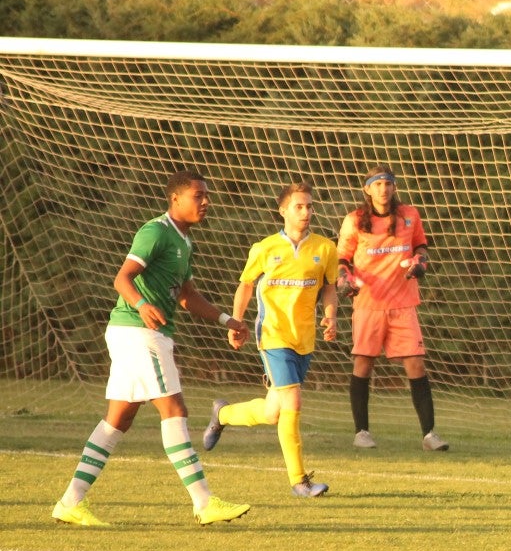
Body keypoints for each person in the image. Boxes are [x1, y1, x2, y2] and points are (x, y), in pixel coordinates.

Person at [51, 170, 252, 527]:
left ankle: (70, 501)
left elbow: (188, 296)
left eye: (207, 195)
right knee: (174, 408)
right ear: (175, 198)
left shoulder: (185, 242)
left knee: (118, 420)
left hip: (134, 334)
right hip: (139, 332)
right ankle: (204, 503)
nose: (206, 202)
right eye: (198, 195)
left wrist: (227, 320)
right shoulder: (156, 231)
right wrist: (142, 304)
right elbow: (122, 278)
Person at [202, 181, 339, 497]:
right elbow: (246, 285)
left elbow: (330, 287)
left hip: (304, 338)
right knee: (293, 402)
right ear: (283, 211)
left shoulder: (325, 248)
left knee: (273, 412)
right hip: (273, 336)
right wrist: (235, 323)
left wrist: (331, 316)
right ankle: (299, 481)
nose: (306, 211)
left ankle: (222, 414)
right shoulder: (264, 249)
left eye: (309, 205)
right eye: (299, 206)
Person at [336, 164, 447, 452]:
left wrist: (420, 262)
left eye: (387, 184)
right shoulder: (354, 220)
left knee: (416, 364)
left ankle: (429, 435)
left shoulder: (410, 216)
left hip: (403, 303)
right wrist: (345, 278)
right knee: (363, 364)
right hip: (369, 305)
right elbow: (342, 260)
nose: (383, 189)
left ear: (394, 187)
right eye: (377, 184)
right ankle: (361, 432)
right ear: (367, 189)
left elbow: (422, 247)